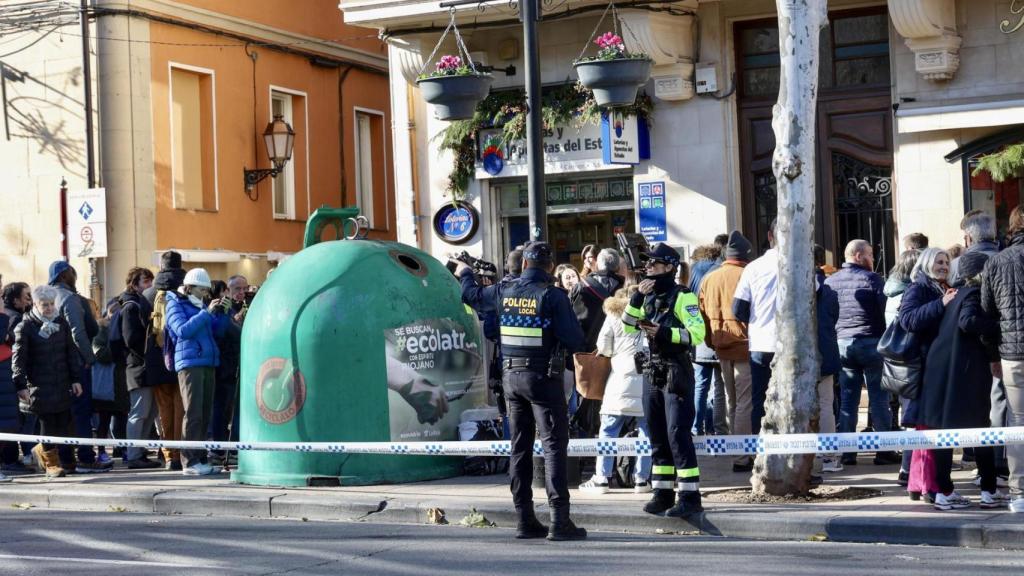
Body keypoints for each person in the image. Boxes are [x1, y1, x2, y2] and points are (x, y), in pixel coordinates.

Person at [458, 242, 587, 540]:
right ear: (551, 266)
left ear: (526, 264)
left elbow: (473, 296)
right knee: (554, 446)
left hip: (511, 380)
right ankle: (559, 521)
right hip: (542, 379)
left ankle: (525, 519)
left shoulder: (504, 291)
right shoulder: (552, 296)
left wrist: (465, 273)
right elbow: (575, 340)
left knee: (519, 447)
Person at [623, 243, 706, 518]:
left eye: (654, 264)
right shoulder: (644, 295)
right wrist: (636, 298)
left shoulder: (684, 297)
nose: (648, 268)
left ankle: (690, 497)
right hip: (652, 370)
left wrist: (662, 332)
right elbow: (626, 325)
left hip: (675, 370)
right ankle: (662, 492)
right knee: (657, 434)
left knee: (676, 434)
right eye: (647, 264)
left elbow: (696, 334)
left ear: (669, 267)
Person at [921, 252, 1007, 510]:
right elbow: (967, 322)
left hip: (945, 369)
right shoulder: (972, 294)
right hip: (964, 373)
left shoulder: (955, 293)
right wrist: (998, 326)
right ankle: (987, 491)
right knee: (979, 429)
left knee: (946, 431)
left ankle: (945, 491)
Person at [826, 240, 899, 466]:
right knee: (879, 398)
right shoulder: (873, 279)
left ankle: (848, 452)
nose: (873, 259)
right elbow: (884, 312)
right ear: (858, 255)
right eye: (870, 254)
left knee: (848, 399)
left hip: (842, 344)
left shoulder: (831, 281)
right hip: (871, 343)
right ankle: (884, 451)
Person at [579, 286, 652, 494]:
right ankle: (641, 479)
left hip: (619, 378)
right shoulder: (648, 312)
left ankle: (601, 477)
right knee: (646, 430)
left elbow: (604, 347)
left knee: (609, 429)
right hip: (646, 378)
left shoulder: (613, 315)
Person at [899, 247, 956, 503]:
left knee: (930, 427)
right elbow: (908, 319)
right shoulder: (919, 287)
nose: (944, 265)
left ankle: (920, 484)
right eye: (938, 261)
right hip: (923, 369)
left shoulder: (942, 286)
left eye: (946, 261)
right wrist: (940, 304)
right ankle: (927, 486)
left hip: (938, 368)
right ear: (926, 264)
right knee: (926, 428)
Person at [12, 286, 82, 479]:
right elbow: (19, 359)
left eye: (52, 304)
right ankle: (51, 464)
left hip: (62, 382)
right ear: (35, 304)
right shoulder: (25, 326)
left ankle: (65, 459)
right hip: (39, 385)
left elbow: (71, 353)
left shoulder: (61, 323)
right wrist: (21, 385)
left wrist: (76, 379)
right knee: (48, 424)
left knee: (65, 423)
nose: (50, 308)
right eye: (45, 305)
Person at [980, 205, 1024, 513]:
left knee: (1018, 421)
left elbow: (987, 314)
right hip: (1011, 351)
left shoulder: (996, 262)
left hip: (1012, 354)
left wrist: (993, 355)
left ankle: (1019, 491)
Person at [699, 230, 754, 469]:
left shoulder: (710, 278)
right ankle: (742, 456)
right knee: (744, 403)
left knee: (733, 402)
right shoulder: (747, 274)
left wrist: (712, 341)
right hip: (744, 346)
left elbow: (701, 315)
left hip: (721, 346)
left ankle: (737, 451)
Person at [165, 268, 226, 476]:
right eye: (201, 289)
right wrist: (206, 313)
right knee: (193, 412)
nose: (204, 294)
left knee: (204, 412)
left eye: (206, 290)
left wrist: (221, 314)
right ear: (190, 286)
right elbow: (182, 330)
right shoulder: (174, 302)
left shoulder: (202, 305)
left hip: (208, 360)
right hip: (189, 362)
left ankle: (200, 458)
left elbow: (215, 332)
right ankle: (189, 461)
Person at [48, 261, 106, 472]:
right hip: (75, 364)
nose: (75, 277)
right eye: (73, 273)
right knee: (81, 412)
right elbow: (79, 333)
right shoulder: (70, 299)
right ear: (65, 276)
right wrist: (89, 358)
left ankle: (66, 460)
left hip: (53, 365)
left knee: (64, 414)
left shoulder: (45, 297)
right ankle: (85, 458)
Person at [733, 220, 778, 442]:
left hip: (761, 342)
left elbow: (738, 308)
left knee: (759, 398)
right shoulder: (802, 264)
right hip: (793, 345)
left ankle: (760, 449)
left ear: (770, 236)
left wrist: (756, 320)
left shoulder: (754, 268)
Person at [144, 251, 186, 470]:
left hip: (157, 359)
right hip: (180, 357)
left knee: (164, 410)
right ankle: (180, 454)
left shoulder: (149, 294)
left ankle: (169, 455)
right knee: (182, 409)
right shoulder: (185, 291)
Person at [883, 249, 922, 485]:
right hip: (911, 361)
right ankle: (908, 469)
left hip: (896, 362)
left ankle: (907, 468)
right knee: (913, 418)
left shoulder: (890, 292)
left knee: (908, 416)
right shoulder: (911, 294)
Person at [119, 267, 160, 469]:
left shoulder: (140, 303)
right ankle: (134, 454)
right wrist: (146, 355)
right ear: (134, 284)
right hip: (138, 367)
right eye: (145, 282)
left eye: (151, 281)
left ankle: (140, 452)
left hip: (145, 367)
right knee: (139, 413)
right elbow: (130, 339)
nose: (149, 286)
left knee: (150, 413)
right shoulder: (131, 306)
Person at [210, 274, 247, 467]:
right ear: (227, 291)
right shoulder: (223, 309)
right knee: (221, 410)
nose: (241, 293)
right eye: (237, 289)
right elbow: (220, 332)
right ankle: (220, 449)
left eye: (244, 289)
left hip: (238, 367)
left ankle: (231, 448)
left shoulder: (243, 308)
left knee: (233, 411)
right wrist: (236, 322)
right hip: (225, 367)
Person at [688, 243, 724, 439]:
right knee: (719, 386)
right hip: (717, 333)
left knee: (700, 385)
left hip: (698, 336)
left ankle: (696, 427)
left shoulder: (693, 273)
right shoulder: (719, 271)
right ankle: (717, 428)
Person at [814, 246, 842, 476]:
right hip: (824, 352)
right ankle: (829, 456)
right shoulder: (829, 291)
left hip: (801, 356)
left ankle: (811, 452)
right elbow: (833, 319)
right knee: (825, 405)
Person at [1, 282, 31, 475]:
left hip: (6, 373)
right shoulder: (10, 317)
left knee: (10, 421)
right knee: (8, 422)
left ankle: (10, 460)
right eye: (27, 296)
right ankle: (9, 461)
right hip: (5, 373)